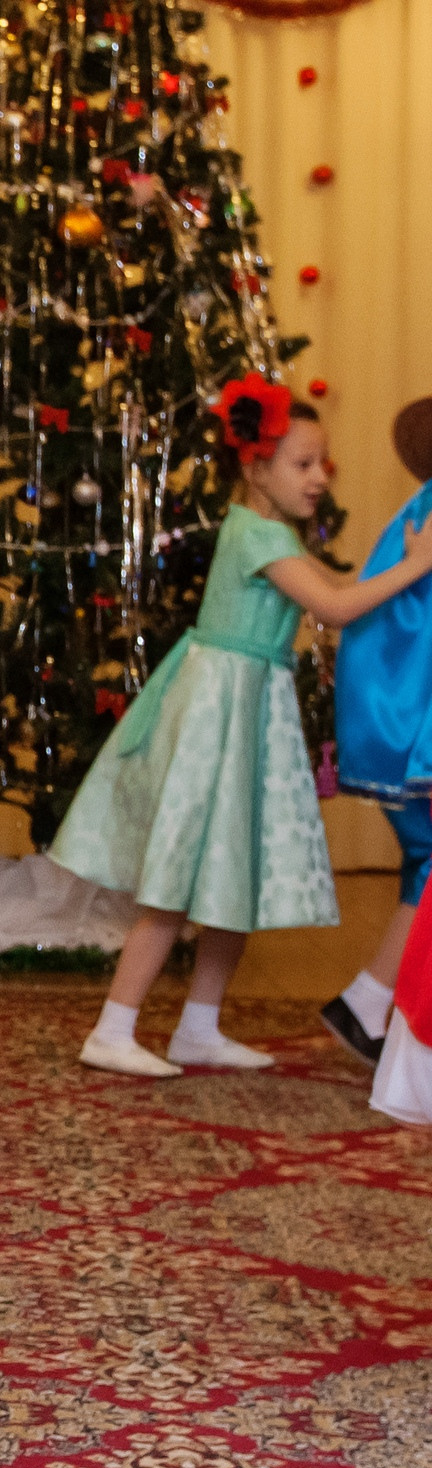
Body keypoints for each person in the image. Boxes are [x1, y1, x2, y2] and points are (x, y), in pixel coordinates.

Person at [53, 380, 432, 1077]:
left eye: (325, 465)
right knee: (178, 879)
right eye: (303, 464)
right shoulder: (255, 534)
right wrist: (415, 565)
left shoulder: (275, 533)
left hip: (252, 709)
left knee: (236, 871)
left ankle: (199, 1025)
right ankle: (114, 1025)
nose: (319, 478)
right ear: (256, 467)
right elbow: (338, 607)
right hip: (218, 712)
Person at [320, 397, 432, 1062]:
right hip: (413, 733)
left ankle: (373, 1005)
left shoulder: (414, 509)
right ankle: (371, 1001)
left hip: (392, 728)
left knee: (423, 867)